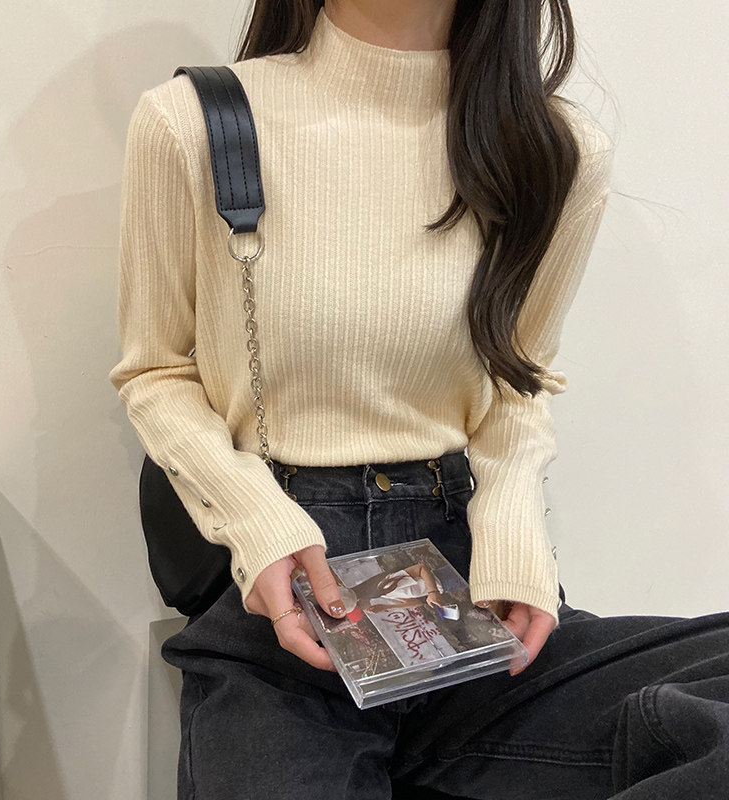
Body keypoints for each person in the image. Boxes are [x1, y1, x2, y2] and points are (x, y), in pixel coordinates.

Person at [108, 1, 729, 797]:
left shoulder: (554, 149)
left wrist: (513, 531)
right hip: (285, 601)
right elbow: (157, 371)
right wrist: (256, 521)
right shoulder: (199, 123)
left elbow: (519, 377)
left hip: (465, 588)